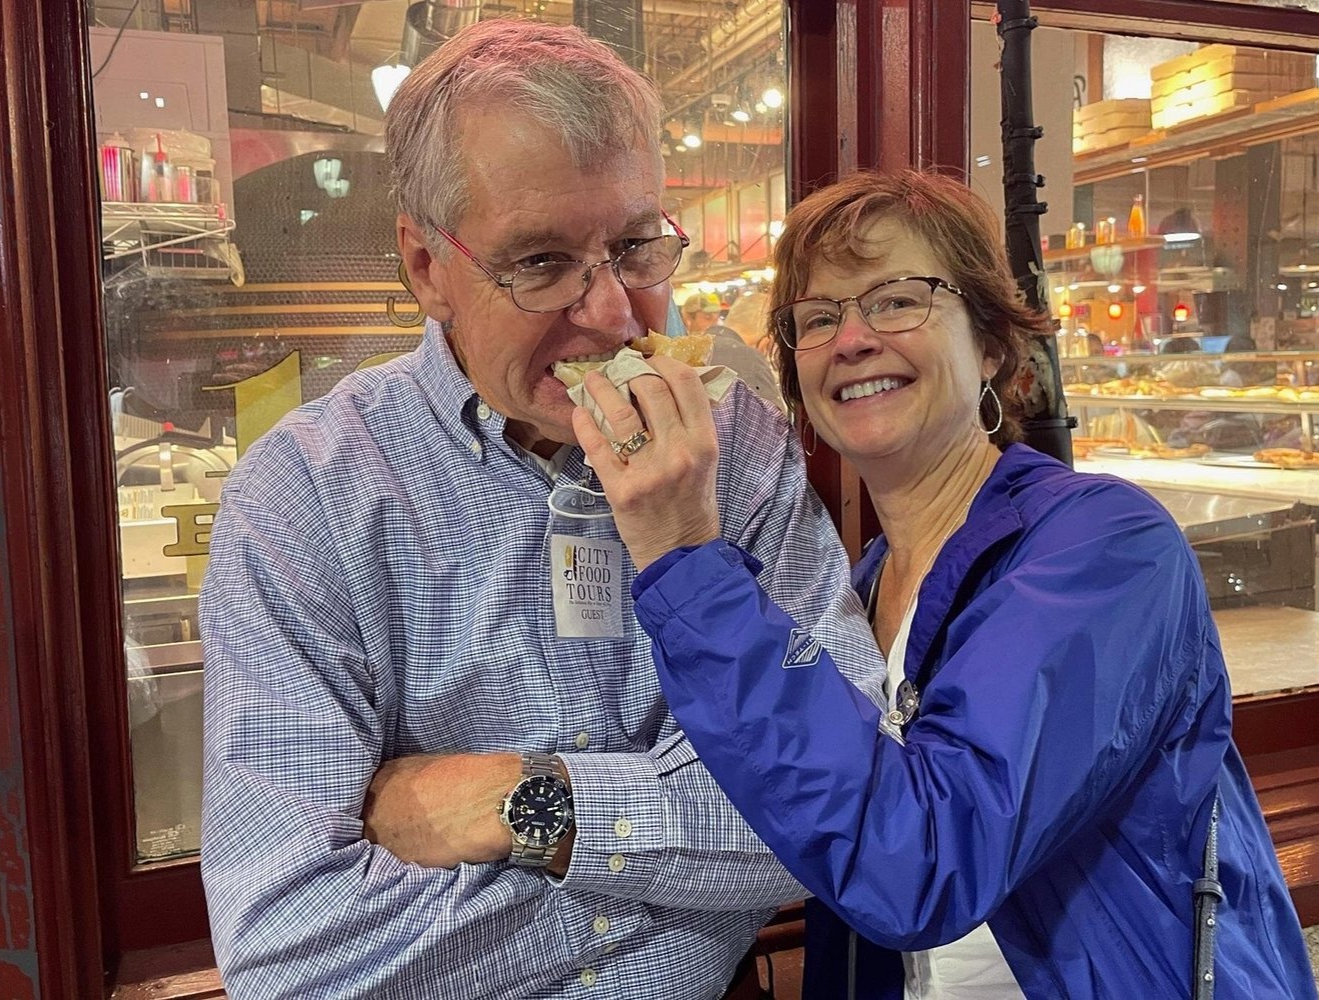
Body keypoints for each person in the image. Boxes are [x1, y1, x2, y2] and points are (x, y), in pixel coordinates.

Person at [196, 18, 881, 1000]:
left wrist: (516, 807)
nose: (612, 314)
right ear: (426, 267)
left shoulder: (737, 449)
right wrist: (682, 860)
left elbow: (847, 809)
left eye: (636, 247)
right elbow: (289, 950)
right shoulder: (308, 495)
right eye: (541, 263)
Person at [572, 169, 1315, 999]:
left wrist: (684, 553)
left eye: (897, 300)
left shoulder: (1104, 546)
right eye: (817, 318)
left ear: (990, 342)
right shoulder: (856, 588)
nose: (852, 339)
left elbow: (923, 865)